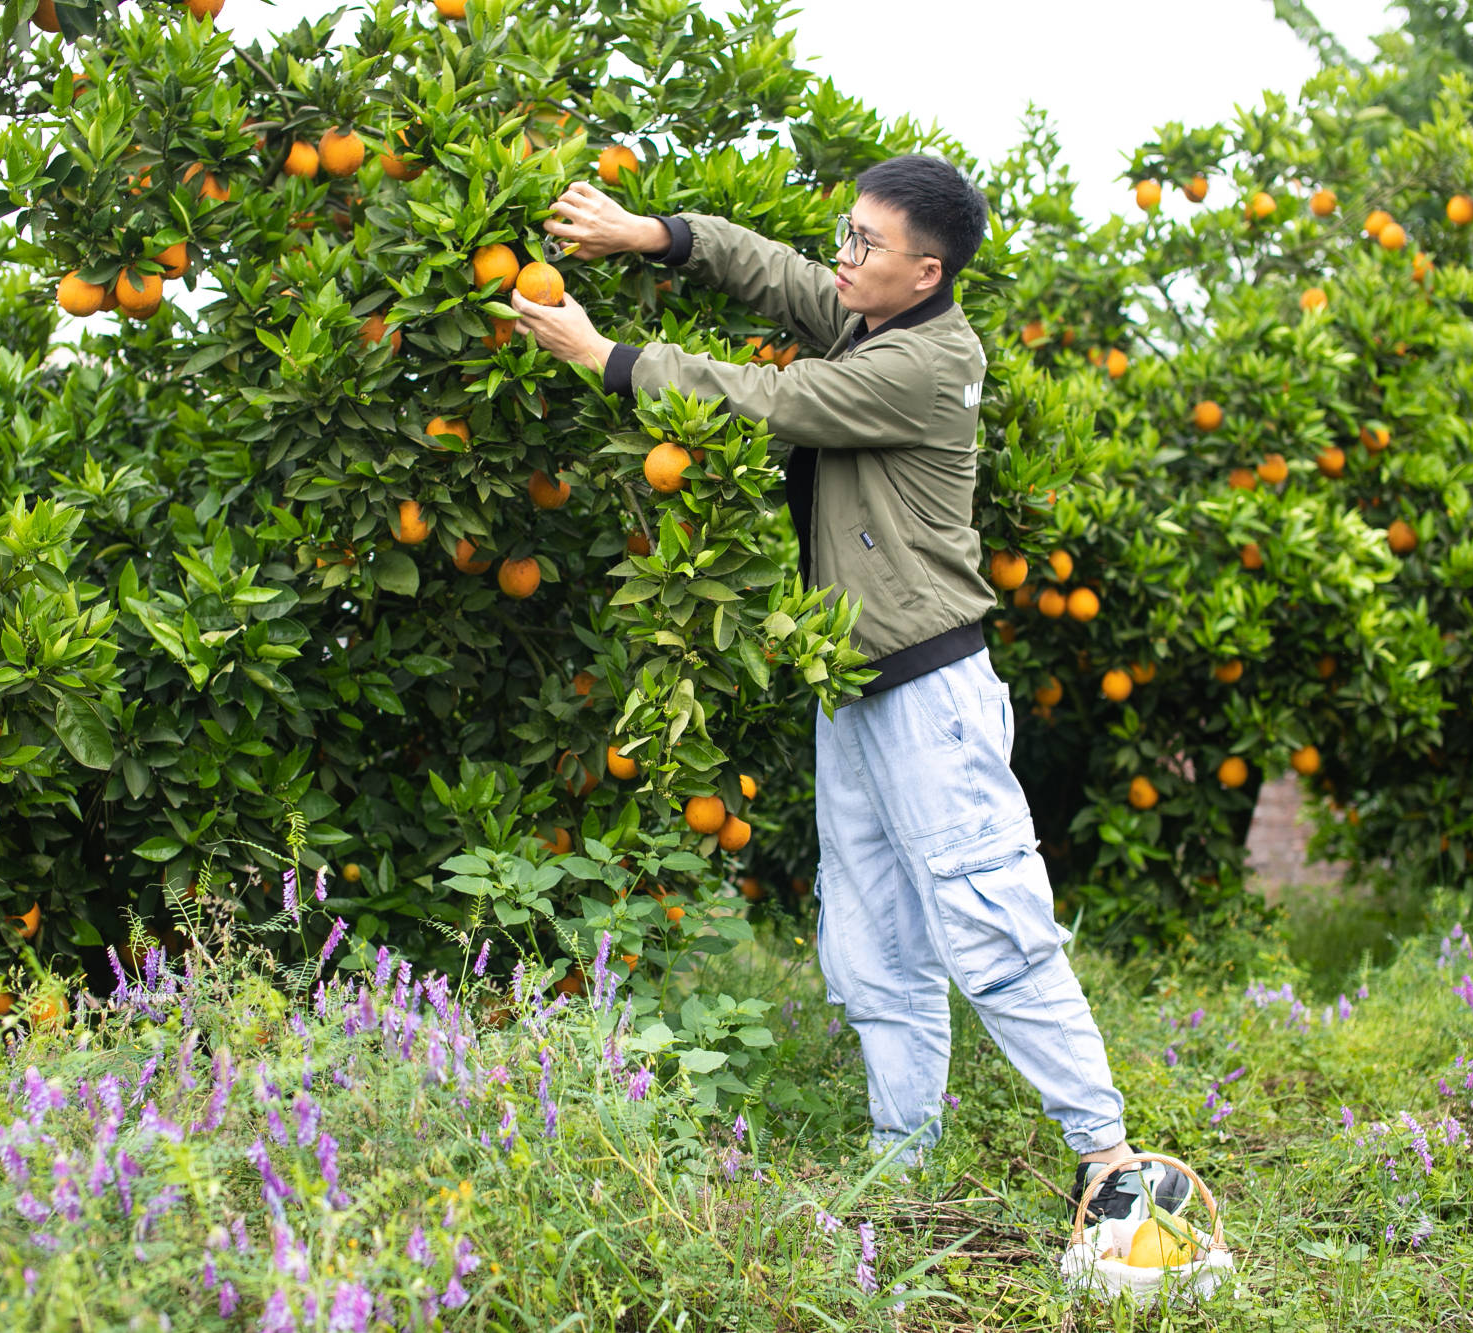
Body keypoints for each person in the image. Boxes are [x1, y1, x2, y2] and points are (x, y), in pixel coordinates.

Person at [509, 153, 1189, 1226]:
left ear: (923, 272)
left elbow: (772, 399)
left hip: (929, 687)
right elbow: (777, 273)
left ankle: (1106, 1154)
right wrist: (656, 234)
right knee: (872, 930)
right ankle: (900, 1157)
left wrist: (607, 356)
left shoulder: (922, 363)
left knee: (986, 912)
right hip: (857, 685)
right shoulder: (872, 318)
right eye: (847, 231)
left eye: (864, 245)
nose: (842, 255)